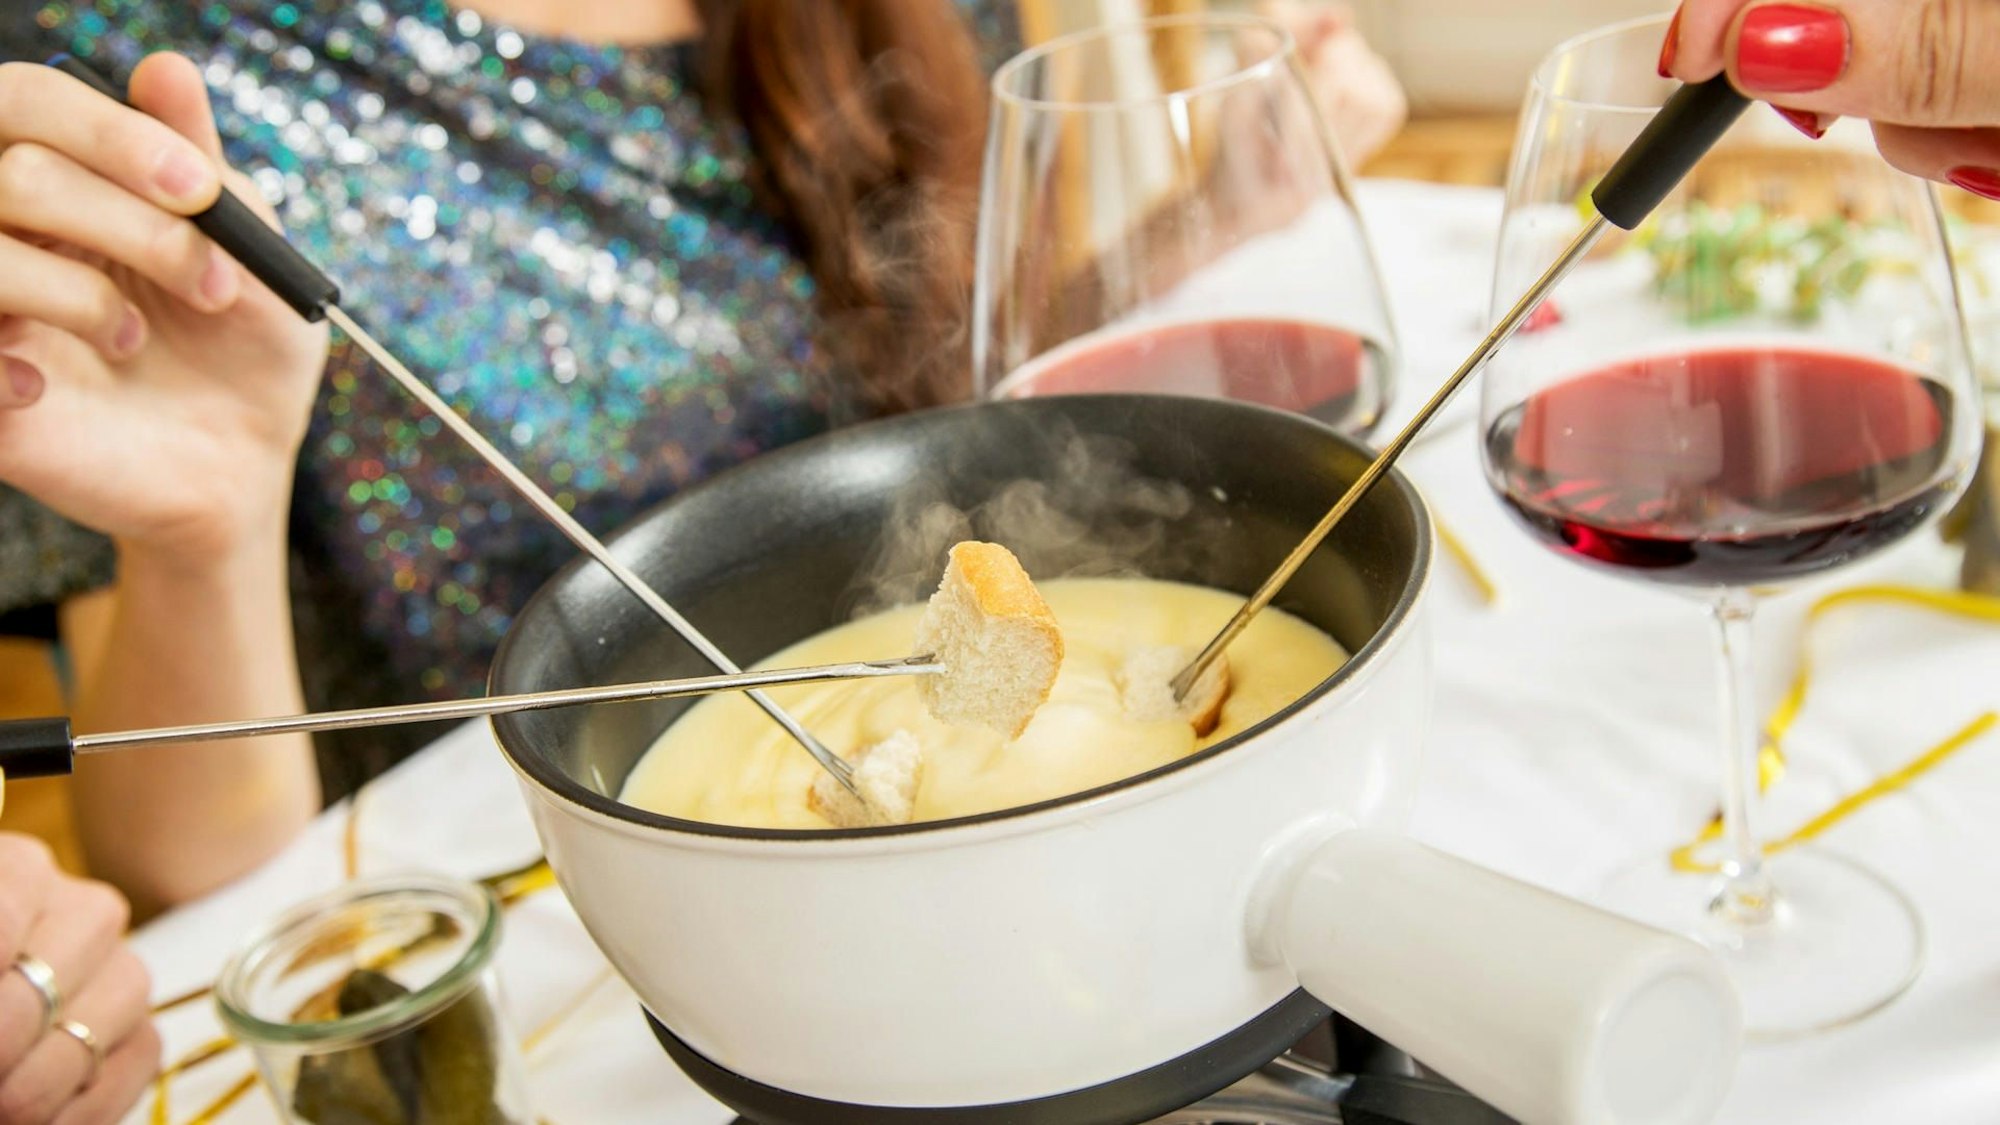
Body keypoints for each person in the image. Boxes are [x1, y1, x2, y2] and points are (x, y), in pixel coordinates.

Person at [0, 2, 1407, 1119]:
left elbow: (979, 441)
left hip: (1047, 929)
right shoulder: (149, 54)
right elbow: (199, 890)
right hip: (537, 925)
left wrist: (1202, 221)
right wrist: (210, 526)